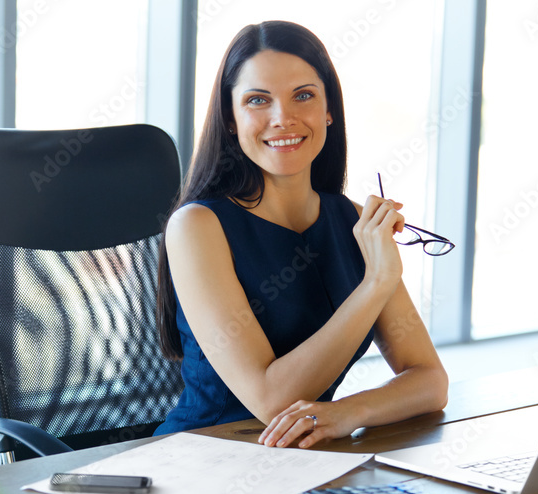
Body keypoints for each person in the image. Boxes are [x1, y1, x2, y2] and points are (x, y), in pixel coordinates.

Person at [153, 20, 448, 448]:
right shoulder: (197, 227)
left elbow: (430, 381)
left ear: (329, 110)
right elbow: (272, 400)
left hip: (307, 460)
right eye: (258, 100)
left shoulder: (350, 219)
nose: (283, 119)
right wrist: (376, 283)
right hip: (204, 463)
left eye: (303, 96)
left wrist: (350, 411)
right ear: (230, 118)